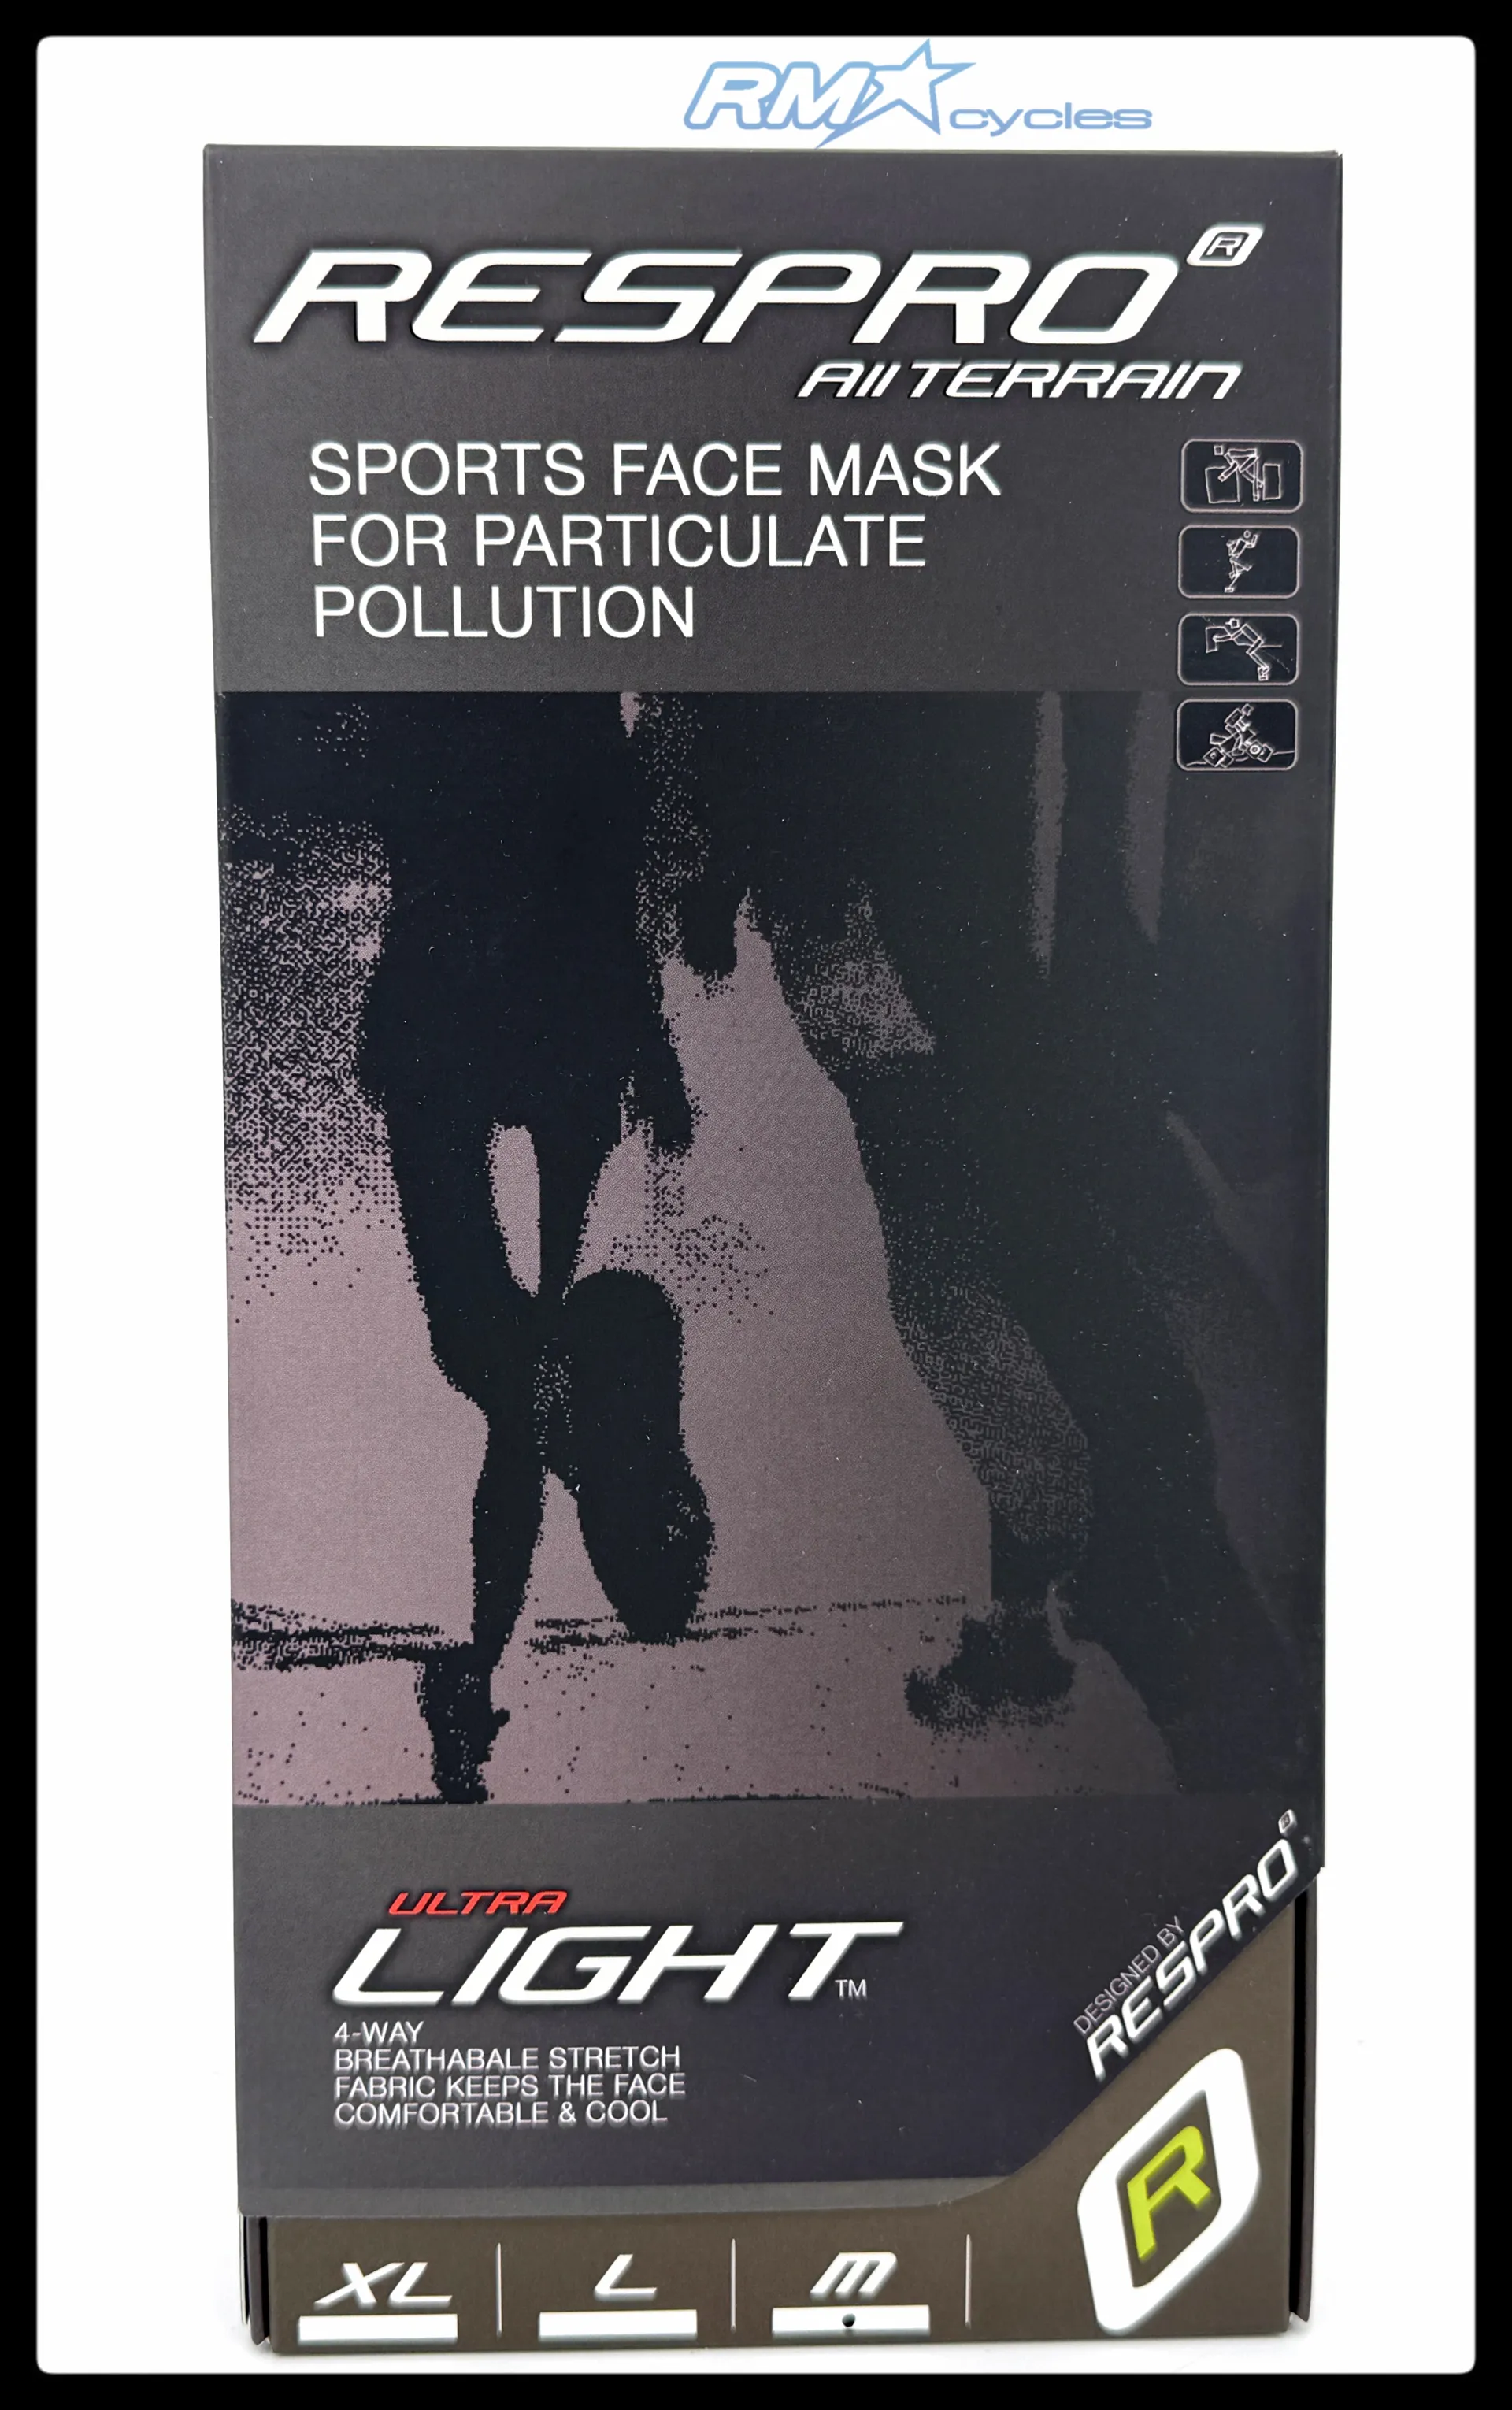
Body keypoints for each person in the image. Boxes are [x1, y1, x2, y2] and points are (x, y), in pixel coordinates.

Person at [642, 691, 1306, 1789]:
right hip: (958, 924)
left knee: (965, 1285)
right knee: (1025, 1268)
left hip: (894, 930)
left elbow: (737, 738)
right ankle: (1096, 1617)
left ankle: (1127, 1614)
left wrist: (710, 876)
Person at [220, 692, 712, 1800]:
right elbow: (605, 840)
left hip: (493, 985)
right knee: (506, 1364)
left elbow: (605, 839)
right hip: (509, 985)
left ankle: (497, 1646)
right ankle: (499, 1642)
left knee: (505, 1362)